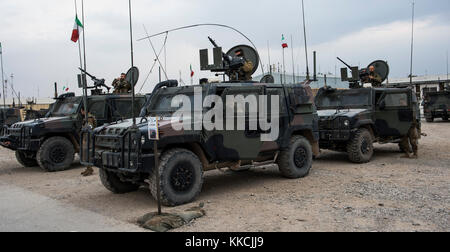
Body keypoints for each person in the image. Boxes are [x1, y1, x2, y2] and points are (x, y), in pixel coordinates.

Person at [80, 107, 97, 177]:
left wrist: (85, 139)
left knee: (87, 153)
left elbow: (90, 128)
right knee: (85, 153)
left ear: (83, 111)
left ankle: (90, 169)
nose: (81, 112)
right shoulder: (88, 117)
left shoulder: (89, 118)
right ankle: (88, 168)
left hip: (88, 138)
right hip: (87, 138)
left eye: (81, 111)